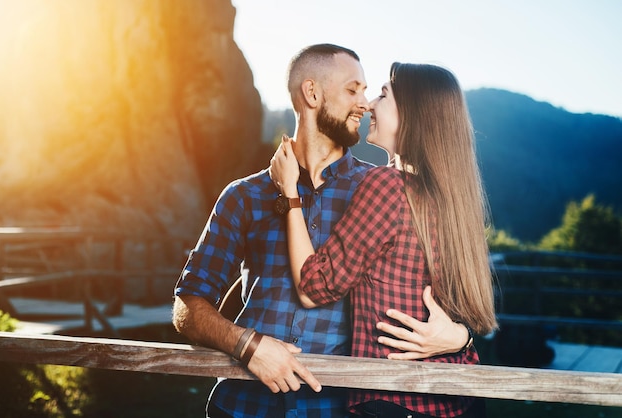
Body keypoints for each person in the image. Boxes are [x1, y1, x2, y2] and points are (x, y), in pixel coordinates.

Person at [173, 45, 471, 418]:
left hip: (336, 408)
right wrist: (248, 345)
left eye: (369, 92)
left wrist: (461, 335)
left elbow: (450, 288)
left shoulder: (384, 190)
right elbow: (188, 306)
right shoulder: (243, 196)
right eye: (353, 90)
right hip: (242, 405)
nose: (364, 104)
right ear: (312, 93)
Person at [270, 62, 497, 417]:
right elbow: (471, 316)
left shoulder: (387, 187)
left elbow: (313, 287)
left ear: (413, 114)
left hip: (394, 401)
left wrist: (289, 193)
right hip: (460, 400)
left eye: (383, 94)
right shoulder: (456, 203)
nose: (370, 105)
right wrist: (462, 337)